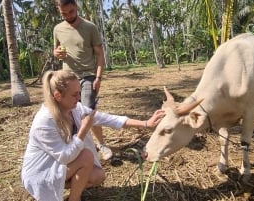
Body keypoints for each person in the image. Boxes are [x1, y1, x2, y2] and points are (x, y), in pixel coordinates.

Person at [21, 70, 165, 201]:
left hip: (60, 165)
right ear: (58, 96)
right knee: (86, 156)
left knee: (97, 176)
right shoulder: (44, 121)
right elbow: (64, 156)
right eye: (74, 94)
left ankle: (63, 190)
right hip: (42, 172)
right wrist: (83, 129)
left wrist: (146, 123)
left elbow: (108, 119)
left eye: (79, 93)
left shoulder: (74, 108)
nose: (78, 98)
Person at [53, 0, 112, 160]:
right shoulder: (58, 29)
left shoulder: (89, 27)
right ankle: (75, 145)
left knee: (87, 111)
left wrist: (98, 77)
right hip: (67, 77)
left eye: (71, 12)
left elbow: (99, 54)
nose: (68, 16)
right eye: (64, 13)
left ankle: (101, 144)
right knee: (68, 112)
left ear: (76, 7)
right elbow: (56, 50)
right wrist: (57, 53)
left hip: (88, 75)